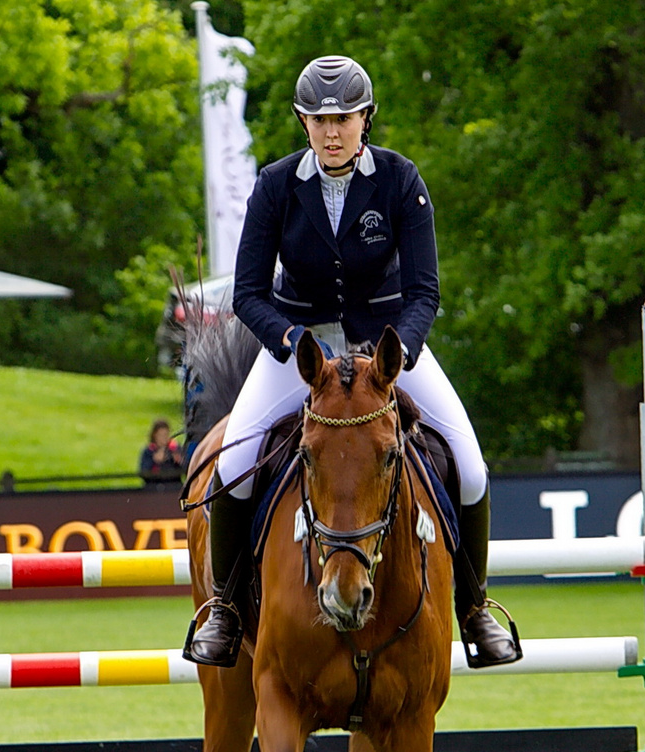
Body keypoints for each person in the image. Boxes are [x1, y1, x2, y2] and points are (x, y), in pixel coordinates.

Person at [190, 54, 519, 669]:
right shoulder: (276, 185)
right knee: (233, 463)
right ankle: (228, 611)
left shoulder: (400, 179)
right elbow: (248, 295)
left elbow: (425, 292)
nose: (331, 130)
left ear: (366, 118)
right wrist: (290, 343)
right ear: (302, 121)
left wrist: (398, 356)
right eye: (318, 119)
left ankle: (474, 610)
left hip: (386, 348)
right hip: (302, 349)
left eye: (343, 117)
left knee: (470, 466)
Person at [139, 419, 184, 486]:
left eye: (166, 435)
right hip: (153, 488)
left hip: (173, 487)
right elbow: (143, 474)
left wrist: (180, 462)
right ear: (154, 435)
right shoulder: (148, 451)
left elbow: (185, 471)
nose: (164, 438)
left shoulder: (176, 449)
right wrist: (154, 461)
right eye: (160, 435)